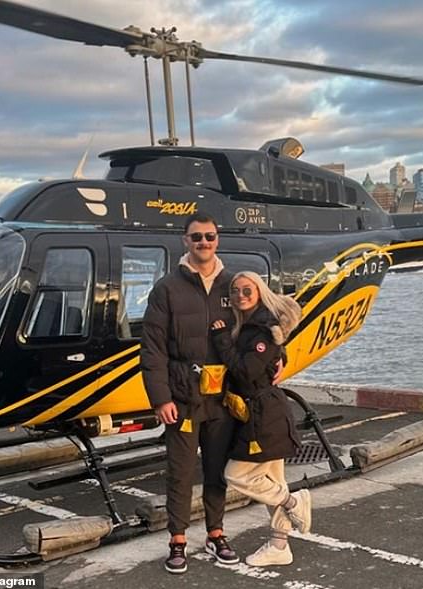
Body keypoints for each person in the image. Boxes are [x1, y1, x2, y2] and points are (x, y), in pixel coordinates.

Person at [141, 212, 239, 574]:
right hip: (182, 397)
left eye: (209, 237)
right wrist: (160, 398)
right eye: (196, 237)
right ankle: (178, 540)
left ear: (218, 239)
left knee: (216, 470)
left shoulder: (234, 284)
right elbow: (152, 349)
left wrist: (278, 357)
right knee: (180, 471)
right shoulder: (167, 288)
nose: (203, 243)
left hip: (222, 398)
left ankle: (216, 533)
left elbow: (262, 326)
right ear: (185, 241)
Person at [210, 271, 312, 567]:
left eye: (248, 290)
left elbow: (245, 371)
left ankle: (293, 502)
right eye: (236, 291)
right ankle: (280, 546)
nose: (241, 295)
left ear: (260, 292)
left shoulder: (264, 330)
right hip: (259, 410)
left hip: (264, 414)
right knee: (273, 479)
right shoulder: (250, 326)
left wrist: (220, 341)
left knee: (237, 475)